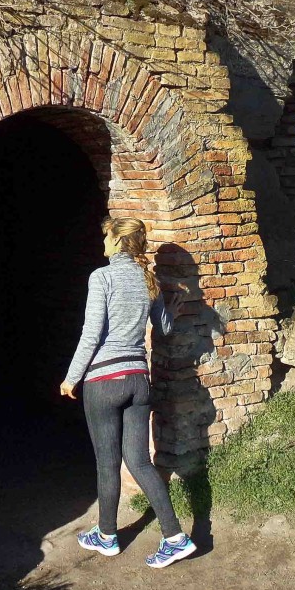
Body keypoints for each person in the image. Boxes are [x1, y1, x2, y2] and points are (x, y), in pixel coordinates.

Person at [60, 216, 197, 569]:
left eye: (106, 236)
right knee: (139, 462)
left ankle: (107, 536)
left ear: (118, 241)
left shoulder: (101, 277)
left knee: (108, 464)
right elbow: (163, 328)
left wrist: (71, 378)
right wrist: (173, 309)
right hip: (138, 379)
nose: (103, 243)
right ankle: (175, 537)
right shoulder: (145, 279)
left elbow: (92, 334)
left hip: (104, 381)